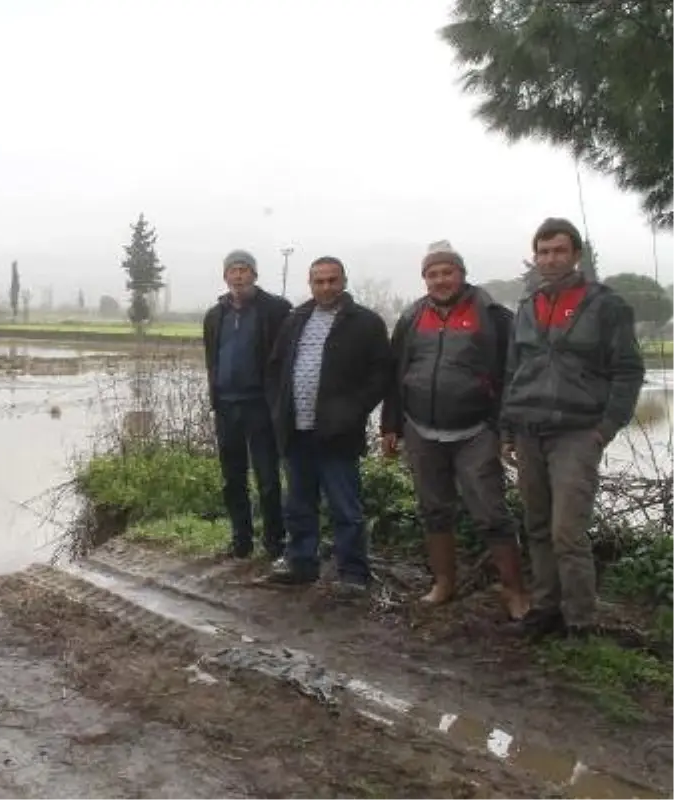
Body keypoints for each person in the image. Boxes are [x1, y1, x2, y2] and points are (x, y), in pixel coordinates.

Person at [501, 218, 645, 639]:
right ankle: (546, 609)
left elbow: (628, 371)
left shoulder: (606, 305)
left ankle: (581, 621)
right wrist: (506, 429)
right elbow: (514, 370)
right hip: (528, 430)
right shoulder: (526, 307)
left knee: (568, 530)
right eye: (543, 252)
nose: (550, 259)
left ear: (576, 255)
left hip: (578, 432)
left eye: (559, 251)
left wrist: (606, 428)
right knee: (538, 525)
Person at [380, 240, 529, 620]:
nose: (441, 279)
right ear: (424, 279)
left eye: (448, 272)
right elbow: (395, 374)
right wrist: (391, 424)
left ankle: (514, 591)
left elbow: (511, 375)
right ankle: (444, 583)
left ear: (461, 274)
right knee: (433, 509)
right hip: (420, 429)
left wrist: (503, 428)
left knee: (491, 512)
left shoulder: (493, 315)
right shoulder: (412, 317)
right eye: (433, 274)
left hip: (476, 431)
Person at [265, 256, 392, 590]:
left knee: (345, 508)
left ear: (344, 281)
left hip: (338, 433)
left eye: (332, 280)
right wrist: (279, 409)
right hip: (296, 431)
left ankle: (352, 573)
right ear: (310, 284)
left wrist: (354, 411)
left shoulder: (365, 323)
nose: (326, 287)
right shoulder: (295, 320)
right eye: (319, 281)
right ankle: (301, 563)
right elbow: (276, 367)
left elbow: (381, 375)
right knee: (298, 504)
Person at [202, 249, 293, 559]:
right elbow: (211, 359)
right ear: (225, 276)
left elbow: (286, 358)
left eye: (244, 270)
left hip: (261, 406)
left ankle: (274, 541)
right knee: (232, 478)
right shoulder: (216, 315)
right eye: (233, 270)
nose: (238, 275)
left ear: (254, 274)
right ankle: (241, 539)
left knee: (267, 478)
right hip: (227, 406)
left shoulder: (276, 310)